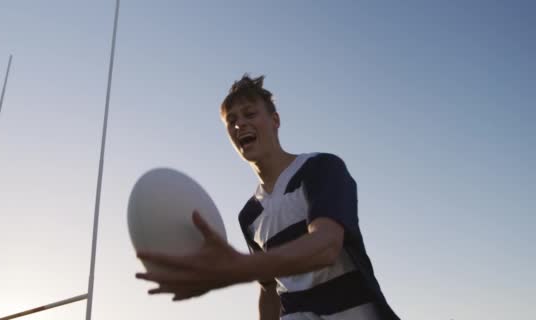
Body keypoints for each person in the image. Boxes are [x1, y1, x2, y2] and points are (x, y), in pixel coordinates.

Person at [136, 74, 400, 320]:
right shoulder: (249, 215)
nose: (240, 124)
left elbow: (326, 245)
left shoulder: (319, 168)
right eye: (232, 121)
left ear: (275, 120)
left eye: (250, 113)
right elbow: (269, 289)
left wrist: (236, 268)